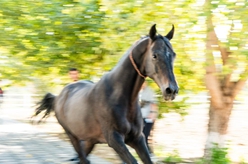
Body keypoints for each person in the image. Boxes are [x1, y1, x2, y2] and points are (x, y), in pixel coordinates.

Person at [139, 81, 158, 155]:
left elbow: (154, 104)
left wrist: (152, 113)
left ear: (145, 83)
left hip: (148, 118)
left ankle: (149, 154)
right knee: (141, 137)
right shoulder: (139, 91)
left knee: (144, 137)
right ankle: (147, 154)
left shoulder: (149, 91)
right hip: (141, 118)